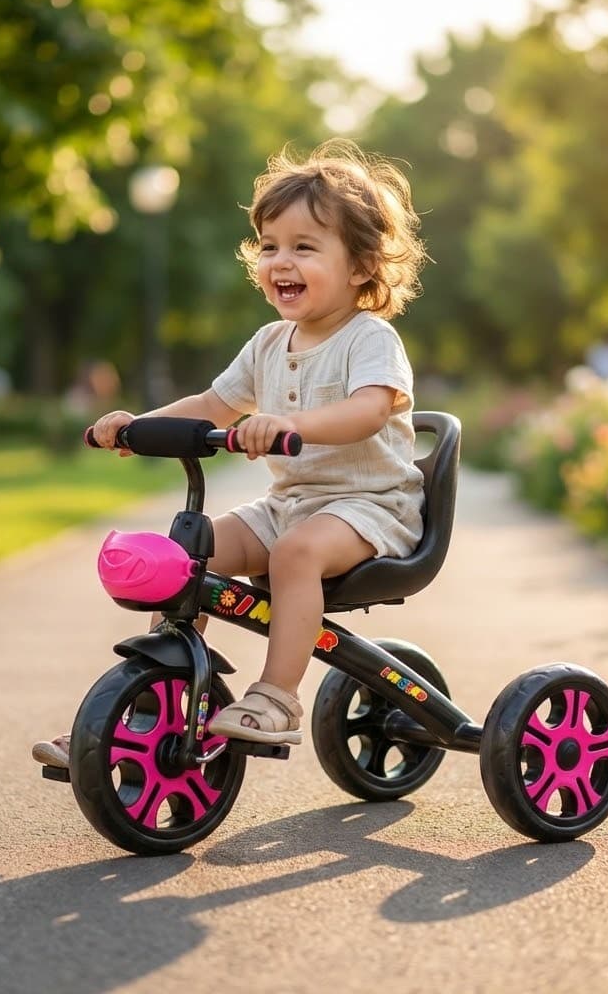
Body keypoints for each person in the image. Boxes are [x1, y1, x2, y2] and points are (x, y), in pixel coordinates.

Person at [32, 138, 428, 766]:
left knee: (297, 554)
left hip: (372, 507)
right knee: (190, 550)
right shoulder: (269, 342)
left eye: (304, 246)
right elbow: (213, 406)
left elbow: (370, 410)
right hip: (291, 504)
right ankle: (142, 709)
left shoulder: (368, 338)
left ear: (359, 267)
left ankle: (275, 696)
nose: (280, 261)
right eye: (270, 246)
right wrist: (138, 426)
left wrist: (288, 421)